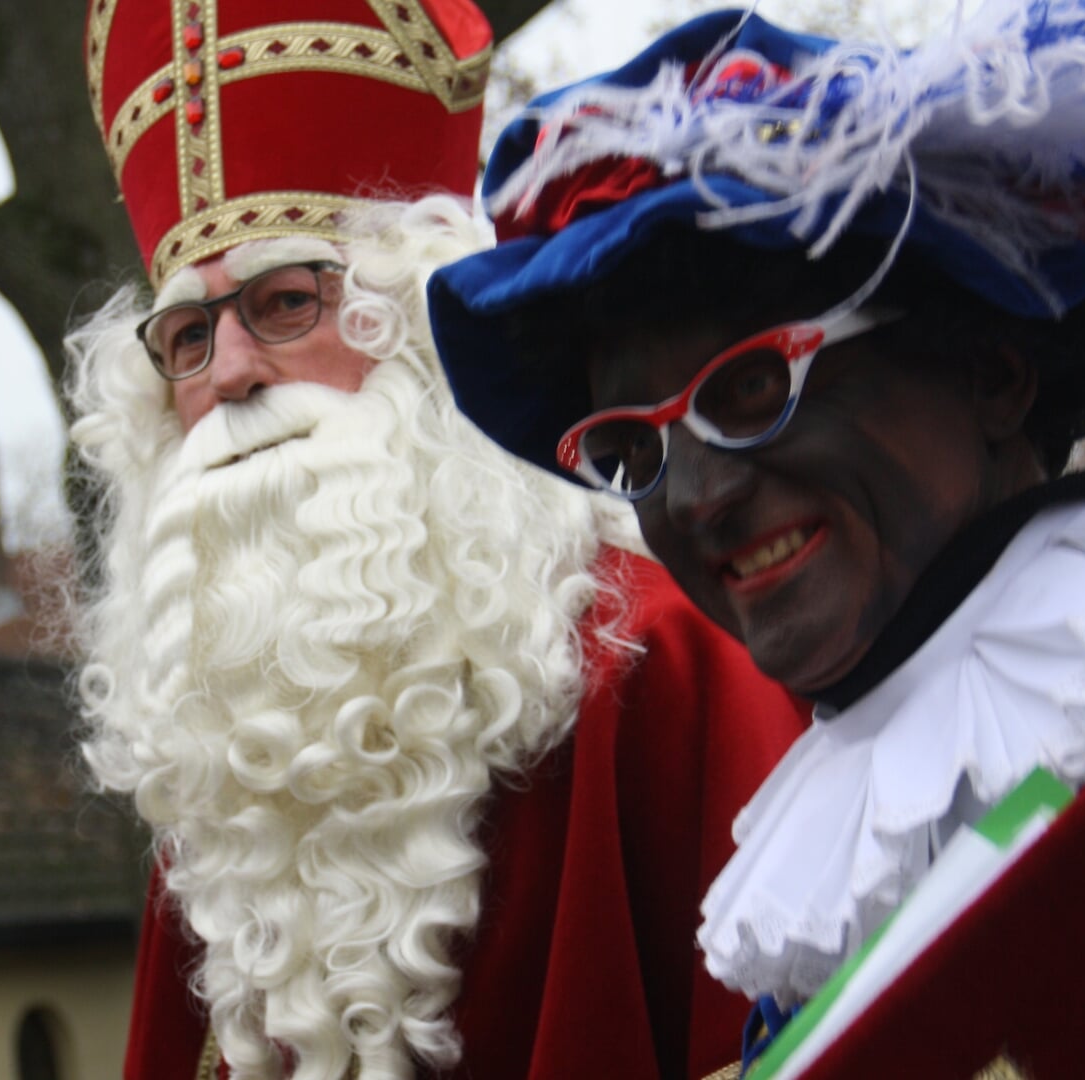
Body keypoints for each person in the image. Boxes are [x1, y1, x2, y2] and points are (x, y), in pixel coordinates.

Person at [428, 0, 1085, 1028]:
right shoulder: (812, 919)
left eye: (749, 390)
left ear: (991, 369)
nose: (695, 497)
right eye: (635, 452)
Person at [74, 2, 809, 1078]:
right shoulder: (221, 759)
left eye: (283, 303)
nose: (229, 371)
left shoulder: (659, 661)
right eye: (189, 336)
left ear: (417, 334)